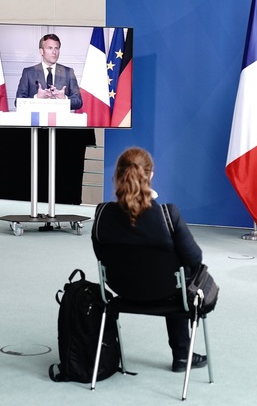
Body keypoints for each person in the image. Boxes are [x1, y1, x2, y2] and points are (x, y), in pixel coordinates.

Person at [91, 147, 207, 373]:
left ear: (117, 175)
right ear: (151, 175)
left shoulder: (103, 213)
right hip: (167, 293)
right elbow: (195, 258)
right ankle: (182, 355)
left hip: (121, 291)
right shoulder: (167, 214)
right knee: (183, 278)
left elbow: (101, 256)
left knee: (174, 277)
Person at [15, 33, 82, 110]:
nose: (54, 52)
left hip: (60, 120)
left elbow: (78, 102)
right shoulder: (28, 72)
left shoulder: (68, 72)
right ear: (41, 51)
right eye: (50, 48)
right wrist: (37, 98)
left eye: (56, 48)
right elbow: (18, 102)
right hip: (36, 120)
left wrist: (64, 99)